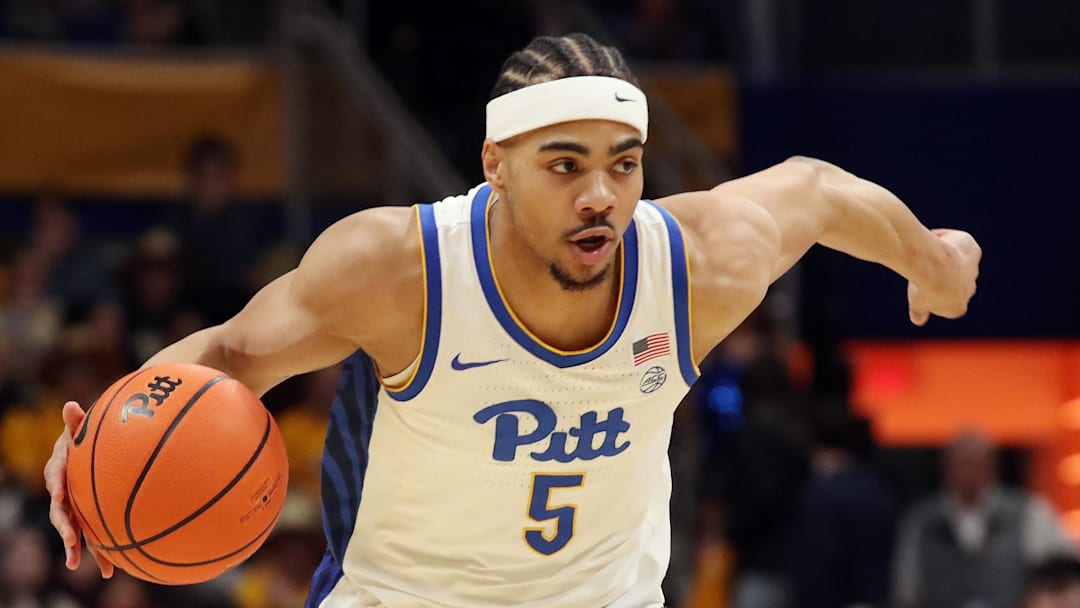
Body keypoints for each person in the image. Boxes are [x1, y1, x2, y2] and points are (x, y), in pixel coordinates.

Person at [44, 33, 981, 608]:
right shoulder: (398, 269)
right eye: (564, 165)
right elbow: (229, 353)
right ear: (495, 163)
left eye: (624, 163)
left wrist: (931, 260)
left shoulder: (696, 266)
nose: (602, 196)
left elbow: (817, 192)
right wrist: (94, 449)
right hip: (402, 597)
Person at [892, 431, 1076, 608]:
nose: (969, 471)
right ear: (946, 466)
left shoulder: (1029, 512)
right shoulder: (922, 520)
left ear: (992, 465)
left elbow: (1062, 571)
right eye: (962, 463)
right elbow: (907, 589)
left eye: (976, 463)